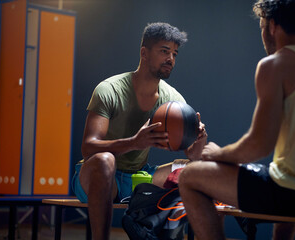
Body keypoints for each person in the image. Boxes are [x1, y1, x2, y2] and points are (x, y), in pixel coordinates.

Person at [178, 0, 295, 239]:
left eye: (262, 26)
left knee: (190, 176)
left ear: (272, 26)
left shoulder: (275, 63)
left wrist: (216, 154)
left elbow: (259, 145)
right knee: (279, 172)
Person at [71, 22, 207, 240]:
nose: (170, 59)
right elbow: (88, 148)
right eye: (164, 51)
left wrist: (198, 142)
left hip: (138, 177)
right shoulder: (110, 89)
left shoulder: (174, 100)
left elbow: (192, 156)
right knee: (104, 160)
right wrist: (135, 142)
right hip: (98, 176)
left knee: (192, 170)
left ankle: (150, 229)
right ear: (144, 53)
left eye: (174, 53)